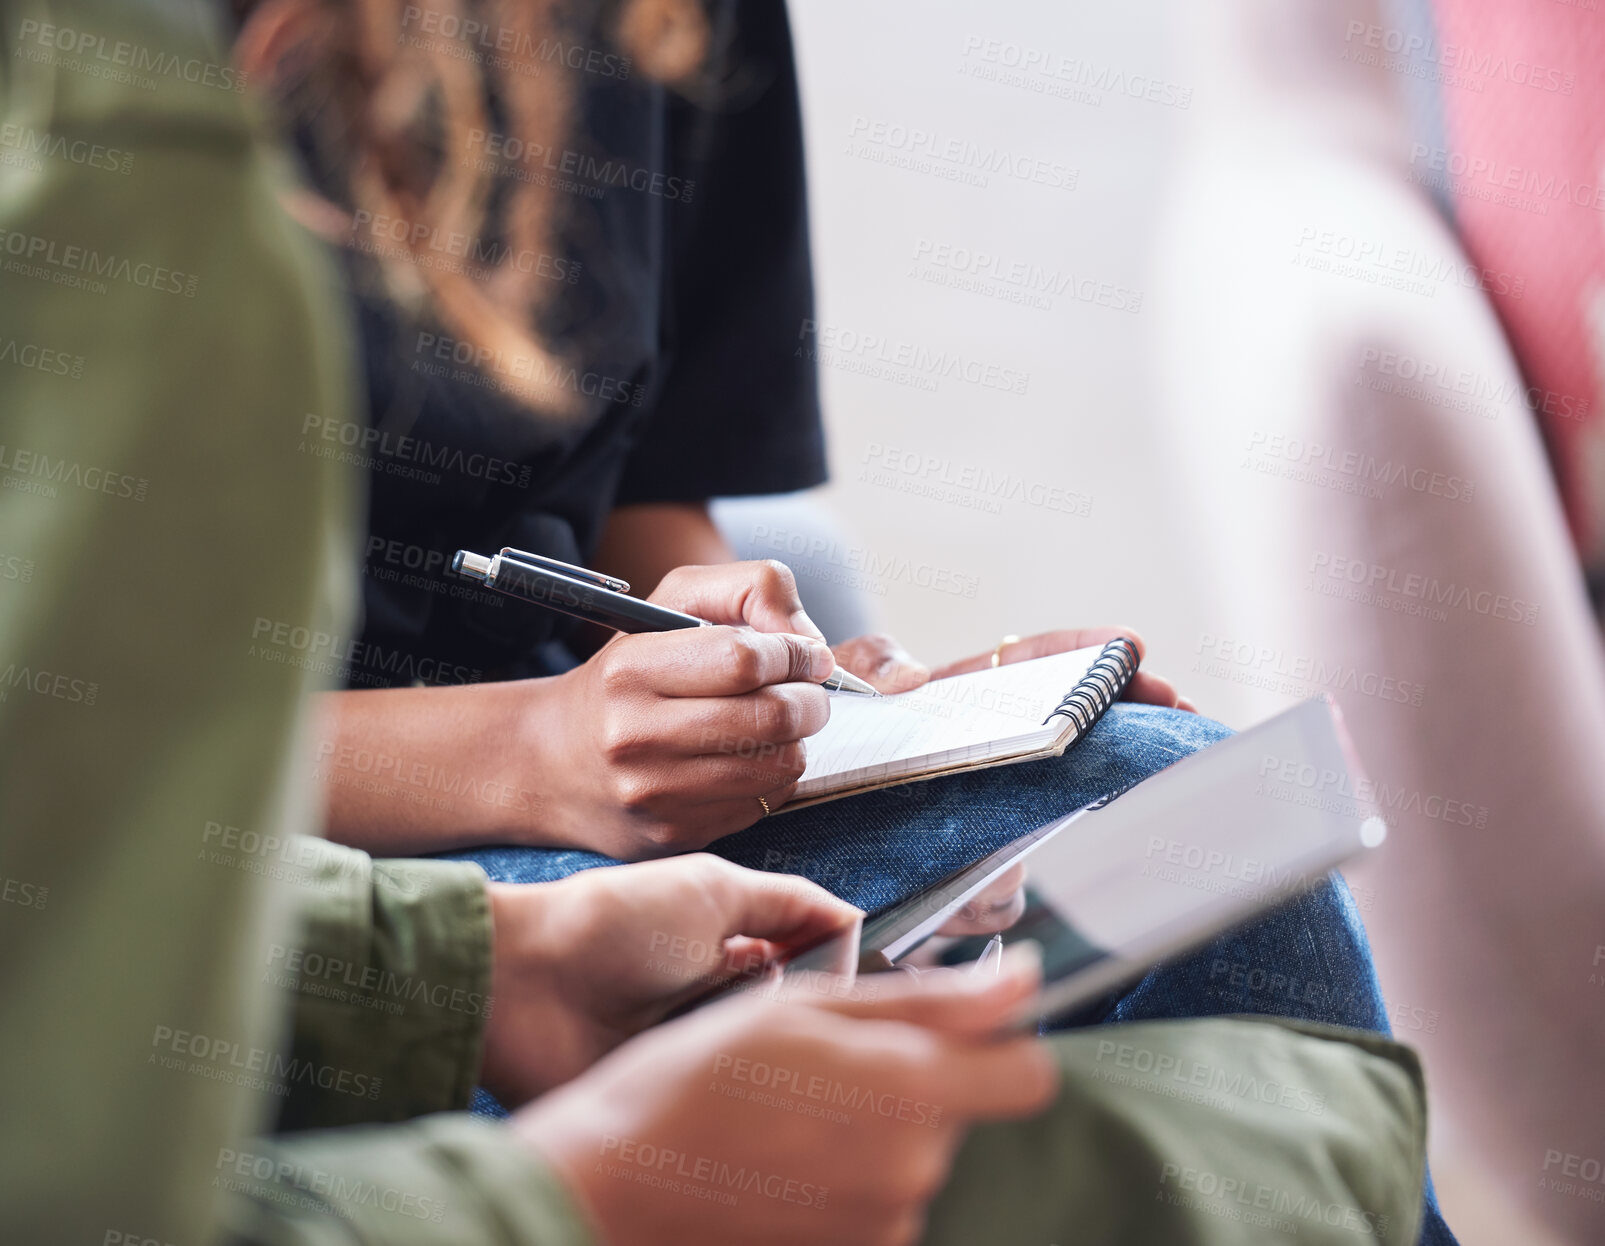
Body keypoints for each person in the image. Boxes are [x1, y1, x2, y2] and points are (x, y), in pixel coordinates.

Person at [0, 2, 1454, 1243]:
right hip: (308, 842)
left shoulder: (667, 28)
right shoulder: (114, 141)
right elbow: (84, 783)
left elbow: (647, 490)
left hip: (567, 811)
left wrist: (757, 656)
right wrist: (527, 751)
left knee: (1188, 813)